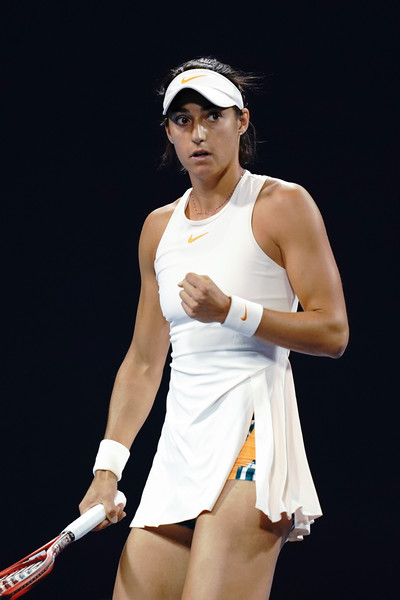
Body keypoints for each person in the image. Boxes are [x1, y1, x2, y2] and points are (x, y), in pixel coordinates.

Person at [79, 57, 349, 600]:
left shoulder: (283, 205)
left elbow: (333, 331)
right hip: (180, 448)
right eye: (182, 120)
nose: (198, 133)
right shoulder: (159, 229)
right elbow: (144, 361)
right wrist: (106, 470)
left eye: (212, 116)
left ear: (241, 122)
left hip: (254, 437)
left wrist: (232, 310)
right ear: (169, 133)